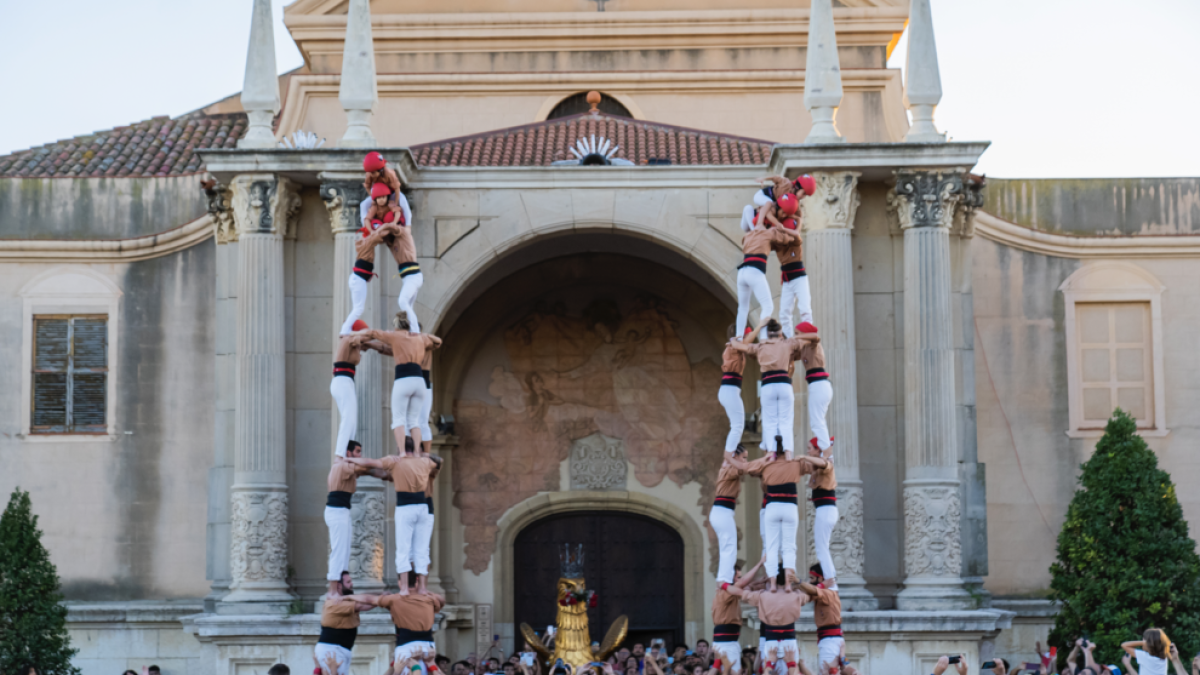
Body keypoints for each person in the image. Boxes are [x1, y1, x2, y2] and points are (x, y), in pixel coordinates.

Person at [346, 437, 439, 594]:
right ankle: (422, 588)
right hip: (423, 507)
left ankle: (403, 588)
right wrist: (422, 456)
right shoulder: (424, 462)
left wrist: (350, 461)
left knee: (403, 550)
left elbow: (370, 462)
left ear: (401, 447)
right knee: (422, 551)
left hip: (406, 506)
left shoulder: (397, 461)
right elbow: (438, 461)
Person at [353, 315, 442, 451]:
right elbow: (393, 350)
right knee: (412, 421)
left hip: (417, 379)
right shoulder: (419, 340)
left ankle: (420, 453)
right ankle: (413, 451)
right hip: (420, 381)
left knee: (417, 421)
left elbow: (437, 341)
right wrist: (371, 346)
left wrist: (354, 337)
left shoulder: (421, 339)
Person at [747, 443, 828, 588]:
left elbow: (748, 469)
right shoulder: (796, 464)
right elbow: (819, 466)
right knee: (789, 547)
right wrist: (807, 457)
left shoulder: (767, 464)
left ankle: (772, 584)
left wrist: (766, 458)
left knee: (771, 547)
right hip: (790, 506)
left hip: (772, 506)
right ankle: (788, 584)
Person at [728, 318, 811, 455]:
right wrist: (797, 335)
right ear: (779, 333)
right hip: (784, 384)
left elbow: (738, 346)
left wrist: (732, 341)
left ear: (767, 333)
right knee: (786, 421)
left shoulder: (760, 346)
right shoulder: (788, 344)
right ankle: (788, 454)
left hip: (767, 385)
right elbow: (811, 339)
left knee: (769, 422)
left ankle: (771, 454)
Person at [325, 440, 392, 595]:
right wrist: (388, 461)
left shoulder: (351, 468)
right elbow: (368, 465)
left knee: (345, 551)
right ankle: (332, 590)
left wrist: (393, 476)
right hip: (336, 511)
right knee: (338, 550)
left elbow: (373, 472)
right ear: (348, 453)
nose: (359, 455)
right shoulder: (342, 465)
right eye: (357, 452)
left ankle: (341, 586)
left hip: (342, 511)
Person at [734, 205, 802, 340]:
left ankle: (738, 338)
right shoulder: (770, 233)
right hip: (754, 271)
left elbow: (764, 210)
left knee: (743, 308)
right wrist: (797, 222)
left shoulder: (748, 235)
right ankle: (764, 339)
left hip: (742, 273)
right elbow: (794, 238)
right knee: (768, 307)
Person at [739, 568, 808, 668]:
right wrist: (798, 583)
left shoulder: (763, 595)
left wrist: (758, 582)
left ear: (772, 578)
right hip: (789, 642)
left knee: (768, 670)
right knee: (792, 671)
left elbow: (744, 593)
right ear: (789, 579)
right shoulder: (797, 595)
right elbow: (811, 594)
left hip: (771, 641)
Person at [315, 571, 381, 675]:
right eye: (348, 582)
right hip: (332, 650)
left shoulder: (343, 601)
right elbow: (364, 604)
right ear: (339, 585)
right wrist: (382, 599)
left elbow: (367, 602)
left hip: (340, 649)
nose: (351, 584)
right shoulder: (335, 602)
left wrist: (380, 600)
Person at [711, 558, 764, 674]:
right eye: (738, 577)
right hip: (726, 641)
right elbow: (743, 583)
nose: (740, 579)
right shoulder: (726, 591)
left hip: (727, 640)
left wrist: (756, 583)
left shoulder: (728, 592)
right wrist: (759, 563)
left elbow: (746, 586)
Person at [378, 578, 445, 663]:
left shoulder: (395, 599)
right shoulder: (428, 598)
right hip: (425, 644)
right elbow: (442, 601)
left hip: (407, 645)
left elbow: (369, 600)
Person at [804, 414, 837, 583]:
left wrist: (803, 457)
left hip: (826, 510)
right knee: (822, 547)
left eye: (810, 448)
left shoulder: (826, 463)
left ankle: (830, 581)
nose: (808, 451)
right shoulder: (817, 465)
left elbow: (824, 463)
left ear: (818, 450)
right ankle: (829, 579)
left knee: (821, 548)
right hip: (824, 510)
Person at [794, 323, 832, 455]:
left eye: (797, 333)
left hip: (819, 385)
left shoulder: (813, 344)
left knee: (817, 423)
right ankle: (826, 453)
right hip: (817, 386)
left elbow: (816, 336)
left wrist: (800, 337)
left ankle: (828, 455)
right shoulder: (805, 347)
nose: (795, 337)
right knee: (817, 422)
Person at [799, 564, 842, 674]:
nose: (810, 581)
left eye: (812, 578)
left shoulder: (827, 593)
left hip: (830, 640)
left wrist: (798, 582)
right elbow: (803, 598)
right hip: (828, 639)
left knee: (827, 672)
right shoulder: (822, 592)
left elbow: (811, 592)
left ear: (821, 578)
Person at [719, 324, 752, 455]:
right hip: (729, 390)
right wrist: (760, 325)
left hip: (731, 390)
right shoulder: (733, 347)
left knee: (737, 425)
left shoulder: (735, 348)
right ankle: (729, 456)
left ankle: (732, 454)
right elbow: (747, 344)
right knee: (737, 426)